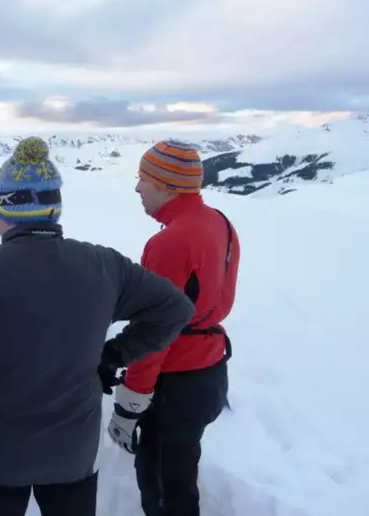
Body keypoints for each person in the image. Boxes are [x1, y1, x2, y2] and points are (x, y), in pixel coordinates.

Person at [0, 137, 197, 516]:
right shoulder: (102, 266)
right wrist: (115, 354)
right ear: (54, 209)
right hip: (75, 455)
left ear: (4, 208)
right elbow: (174, 308)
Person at [106, 139, 239, 516]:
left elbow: (156, 330)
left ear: (167, 185)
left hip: (174, 382)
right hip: (210, 371)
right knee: (179, 469)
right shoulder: (221, 223)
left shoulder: (169, 242)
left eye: (143, 179)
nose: (137, 188)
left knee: (164, 485)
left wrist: (130, 403)